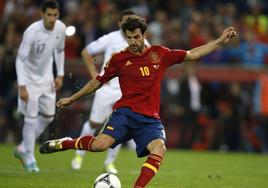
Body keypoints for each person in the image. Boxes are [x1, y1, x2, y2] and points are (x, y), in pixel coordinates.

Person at [39, 17, 237, 187]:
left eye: (136, 36)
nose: (133, 41)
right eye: (129, 37)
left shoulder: (159, 54)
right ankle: (65, 144)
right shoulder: (119, 59)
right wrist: (72, 98)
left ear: (144, 34)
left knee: (159, 148)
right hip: (125, 113)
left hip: (150, 119)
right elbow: (96, 82)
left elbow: (192, 54)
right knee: (99, 146)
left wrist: (219, 41)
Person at [71, 9, 150, 173]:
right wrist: (94, 74)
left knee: (121, 126)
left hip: (126, 92)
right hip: (106, 89)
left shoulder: (144, 43)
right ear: (119, 23)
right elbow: (86, 51)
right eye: (125, 21)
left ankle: (109, 162)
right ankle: (79, 155)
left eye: (131, 20)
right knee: (94, 123)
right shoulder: (111, 38)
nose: (128, 24)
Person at [14, 0, 66, 172]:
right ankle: (29, 157)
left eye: (55, 15)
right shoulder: (32, 32)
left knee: (48, 116)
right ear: (42, 14)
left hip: (47, 79)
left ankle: (22, 147)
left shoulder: (60, 28)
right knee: (31, 117)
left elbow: (59, 50)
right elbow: (20, 59)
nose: (52, 18)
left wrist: (60, 74)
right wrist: (22, 85)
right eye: (49, 15)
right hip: (29, 80)